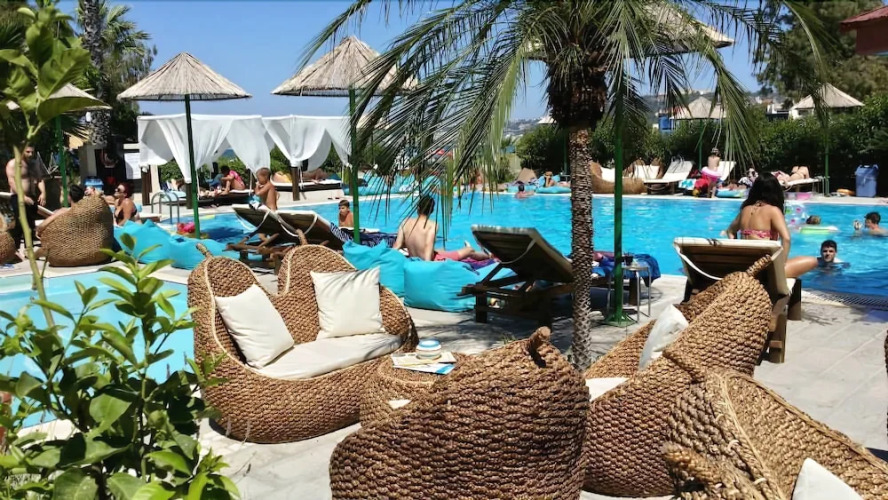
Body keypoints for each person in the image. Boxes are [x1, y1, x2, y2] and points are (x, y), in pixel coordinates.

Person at [724, 172, 817, 278]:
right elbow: (786, 239)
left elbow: (730, 231)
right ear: (775, 191)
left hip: (746, 265)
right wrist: (782, 264)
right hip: (764, 269)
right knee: (813, 261)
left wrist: (737, 251)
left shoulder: (745, 210)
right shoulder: (773, 211)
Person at [393, 195, 490, 262]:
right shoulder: (432, 225)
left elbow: (397, 245)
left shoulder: (405, 222)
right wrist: (426, 269)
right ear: (432, 211)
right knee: (470, 251)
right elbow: (427, 252)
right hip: (429, 262)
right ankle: (489, 255)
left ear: (418, 208)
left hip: (415, 257)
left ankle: (467, 249)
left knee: (441, 250)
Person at [4, 145, 46, 249]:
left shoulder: (33, 164)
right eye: (28, 152)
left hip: (32, 197)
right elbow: (11, 182)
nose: (30, 154)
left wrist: (43, 193)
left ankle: (29, 248)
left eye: (32, 152)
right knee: (19, 223)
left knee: (31, 223)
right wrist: (22, 197)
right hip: (18, 197)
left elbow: (39, 179)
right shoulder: (13, 164)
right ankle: (14, 248)